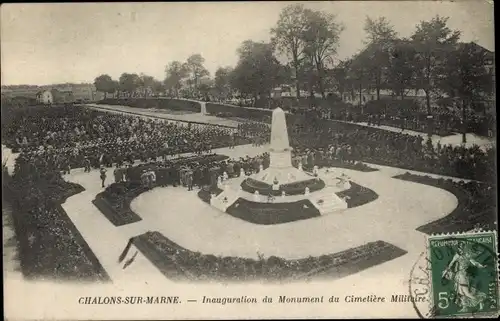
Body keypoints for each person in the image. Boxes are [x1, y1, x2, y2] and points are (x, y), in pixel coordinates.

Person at [441, 242, 487, 312]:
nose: (461, 249)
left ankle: (480, 301)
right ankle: (464, 307)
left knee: (466, 293)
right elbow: (450, 264)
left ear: (464, 248)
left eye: (462, 247)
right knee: (460, 293)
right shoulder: (457, 255)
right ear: (458, 248)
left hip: (463, 275)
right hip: (458, 275)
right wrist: (445, 272)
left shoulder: (467, 255)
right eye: (460, 247)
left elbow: (474, 262)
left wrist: (481, 266)